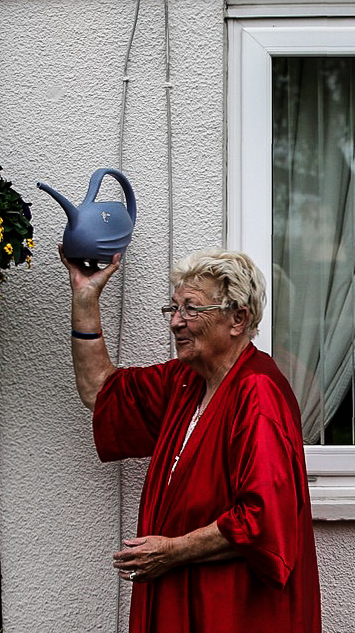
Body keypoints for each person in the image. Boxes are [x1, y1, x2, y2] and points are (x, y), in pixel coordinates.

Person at [62, 245, 321, 633]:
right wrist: (85, 297)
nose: (176, 322)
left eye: (191, 309)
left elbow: (261, 519)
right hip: (184, 603)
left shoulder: (258, 393)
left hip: (234, 611)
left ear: (238, 318)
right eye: (173, 309)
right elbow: (100, 392)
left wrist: (171, 551)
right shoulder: (183, 382)